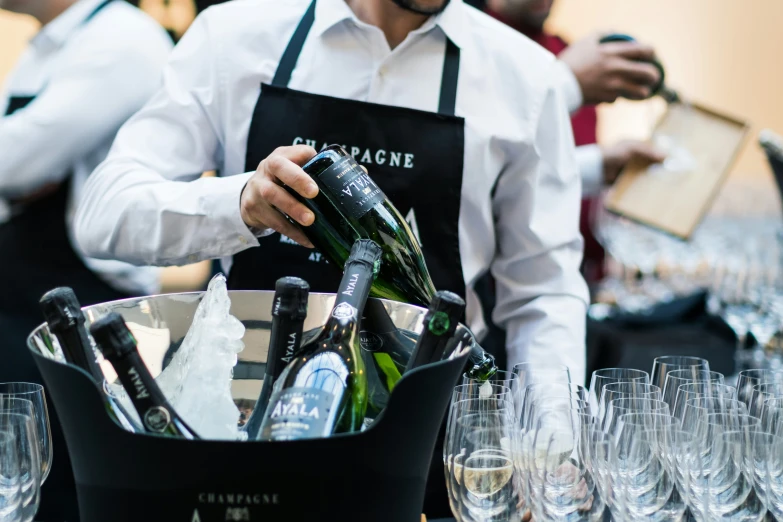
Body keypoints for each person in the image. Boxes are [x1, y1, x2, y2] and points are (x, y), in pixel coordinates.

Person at [74, 0, 588, 514]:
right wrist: (239, 204)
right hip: (242, 423)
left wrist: (550, 445)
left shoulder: (525, 76)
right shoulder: (235, 36)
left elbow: (543, 292)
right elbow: (103, 212)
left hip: (424, 442)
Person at [0, 0, 172, 517]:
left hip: (86, 306)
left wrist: (22, 178)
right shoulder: (46, 48)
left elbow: (15, 160)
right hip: (21, 291)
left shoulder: (122, 38)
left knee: (61, 482)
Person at [485, 0, 667, 282]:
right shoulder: (471, 49)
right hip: (500, 284)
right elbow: (477, 174)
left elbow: (537, 172)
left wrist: (600, 167)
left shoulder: (570, 54)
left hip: (575, 277)